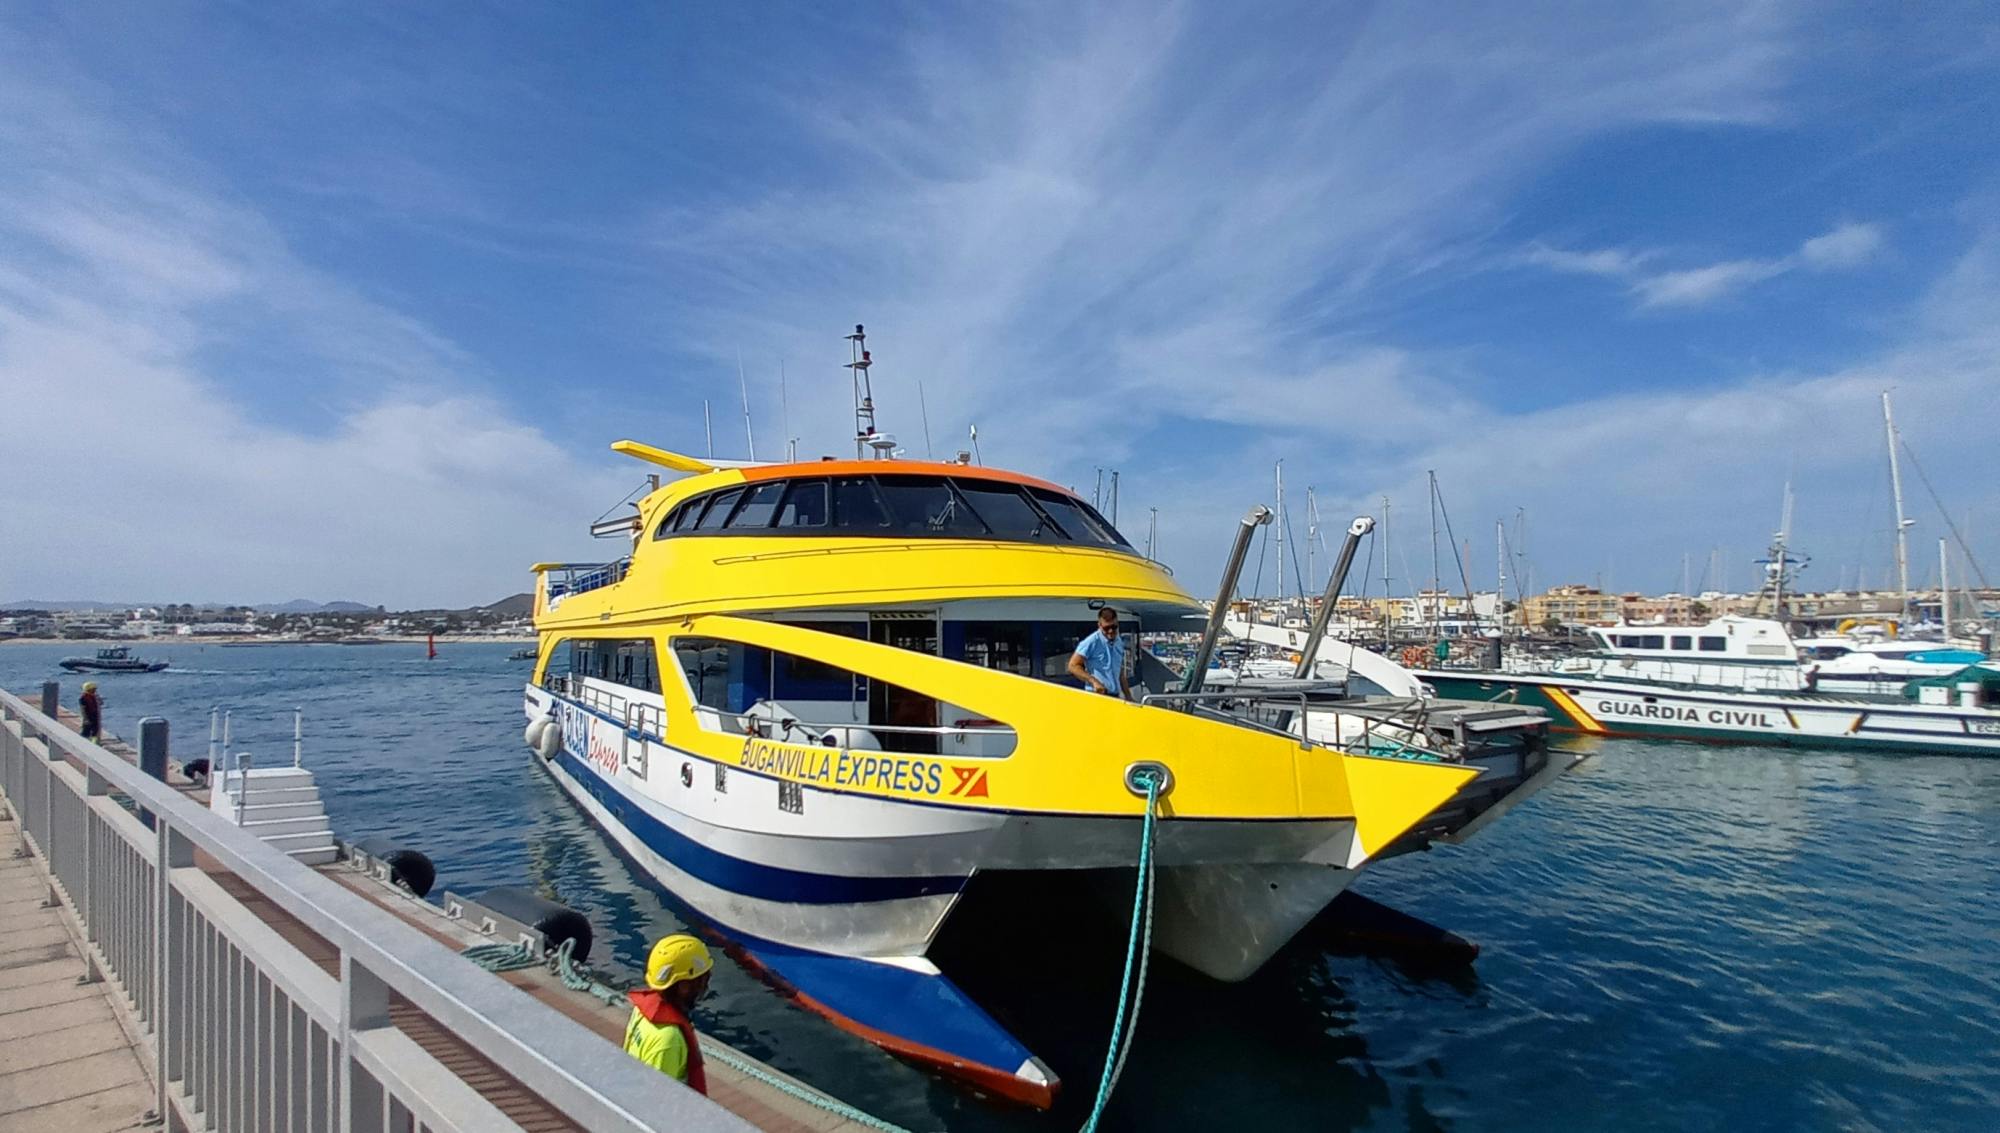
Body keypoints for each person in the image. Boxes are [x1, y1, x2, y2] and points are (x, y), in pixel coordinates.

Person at [624, 933, 713, 1093]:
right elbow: (657, 1100)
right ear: (684, 986)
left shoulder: (641, 1011)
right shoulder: (669, 1039)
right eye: (702, 980)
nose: (705, 987)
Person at [1068, 607, 1132, 700]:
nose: (1110, 631)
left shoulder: (1119, 641)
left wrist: (1128, 696)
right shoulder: (1091, 641)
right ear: (1099, 625)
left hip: (1115, 696)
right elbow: (1072, 666)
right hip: (1096, 696)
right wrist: (1093, 681)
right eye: (1106, 628)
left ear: (1117, 624)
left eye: (1114, 627)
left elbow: (1120, 672)